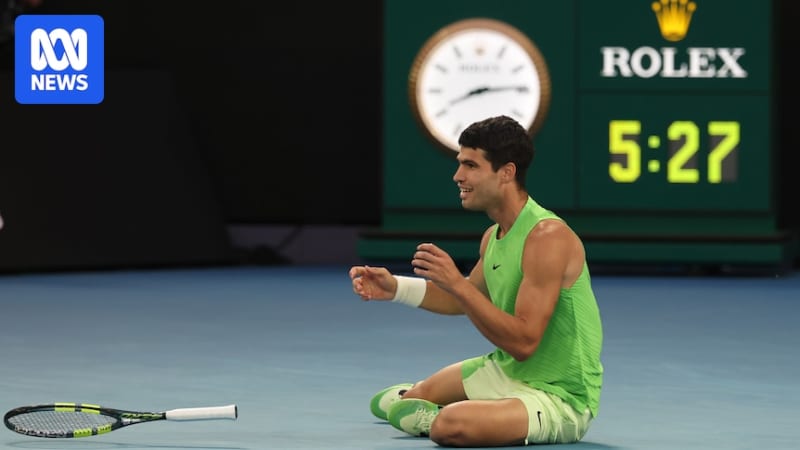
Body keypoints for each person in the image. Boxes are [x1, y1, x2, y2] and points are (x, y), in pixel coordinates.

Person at [349, 115, 603, 447]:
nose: (458, 176)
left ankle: (451, 415)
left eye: (470, 165)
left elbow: (524, 343)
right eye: (460, 164)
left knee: (448, 426)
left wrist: (456, 282)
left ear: (506, 173)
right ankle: (448, 405)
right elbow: (462, 298)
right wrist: (396, 288)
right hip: (508, 371)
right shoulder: (493, 236)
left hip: (559, 396)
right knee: (413, 397)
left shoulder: (547, 236)